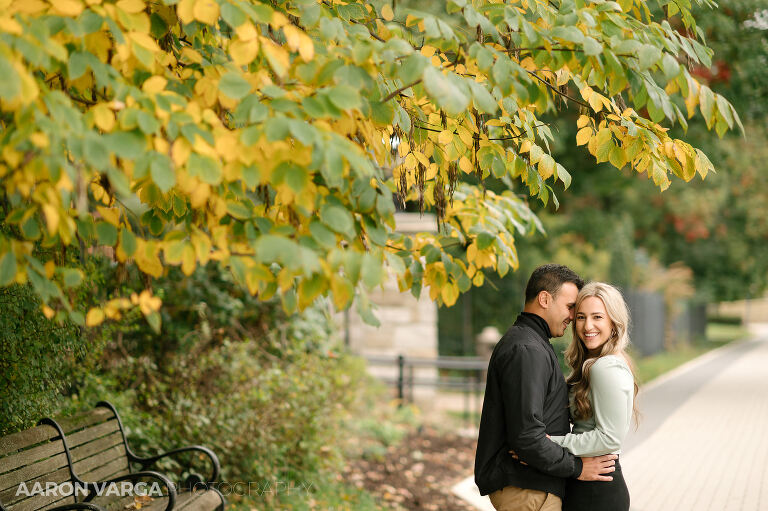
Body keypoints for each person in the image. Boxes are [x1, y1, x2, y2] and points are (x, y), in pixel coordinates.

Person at [475, 264, 618, 511]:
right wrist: (577, 468)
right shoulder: (526, 350)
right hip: (527, 490)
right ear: (544, 298)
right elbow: (527, 437)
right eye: (570, 307)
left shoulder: (532, 344)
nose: (573, 317)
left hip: (532, 486)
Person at [547, 282, 639, 511]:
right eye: (580, 317)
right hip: (590, 483)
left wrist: (549, 445)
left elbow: (609, 439)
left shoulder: (605, 367)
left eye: (597, 317)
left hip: (597, 491)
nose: (587, 325)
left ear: (614, 322)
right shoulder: (599, 363)